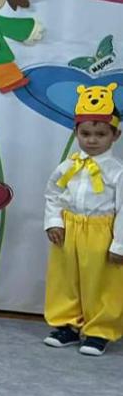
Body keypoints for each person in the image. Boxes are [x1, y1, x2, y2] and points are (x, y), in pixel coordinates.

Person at [43, 83, 123, 356]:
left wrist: (119, 244)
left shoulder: (117, 172)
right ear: (76, 132)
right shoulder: (69, 166)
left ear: (115, 135)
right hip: (70, 229)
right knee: (66, 279)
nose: (92, 140)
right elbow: (53, 194)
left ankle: (100, 330)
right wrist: (54, 222)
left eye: (100, 134)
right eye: (85, 133)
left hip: (102, 231)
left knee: (101, 282)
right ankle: (68, 325)